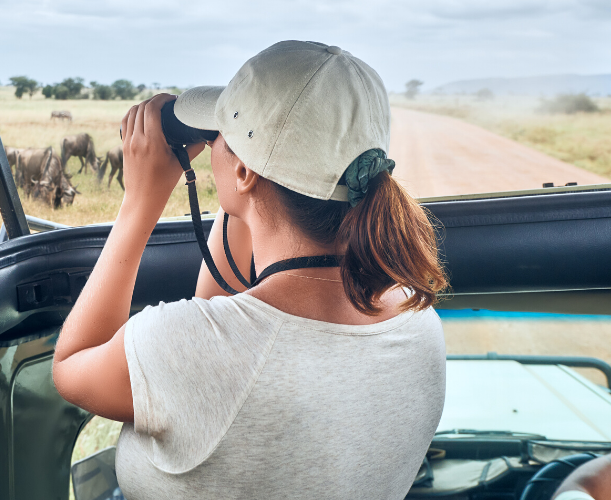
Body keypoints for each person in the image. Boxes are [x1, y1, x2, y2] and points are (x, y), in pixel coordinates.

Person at [52, 40, 449, 499]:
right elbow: (223, 332)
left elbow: (72, 368)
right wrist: (247, 190)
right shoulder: (419, 324)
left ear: (243, 173)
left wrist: (139, 204)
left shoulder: (198, 348)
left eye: (222, 135)